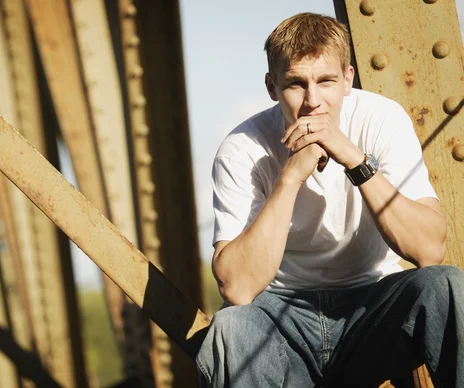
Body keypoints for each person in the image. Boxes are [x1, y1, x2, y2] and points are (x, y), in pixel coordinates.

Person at [196, 12, 463, 387]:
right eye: (295, 84)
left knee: (446, 285)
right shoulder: (242, 148)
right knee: (230, 326)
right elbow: (238, 288)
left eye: (326, 81)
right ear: (272, 87)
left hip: (371, 309)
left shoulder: (381, 119)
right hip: (281, 320)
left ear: (348, 79)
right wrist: (290, 176)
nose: (312, 101)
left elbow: (428, 252)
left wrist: (355, 159)